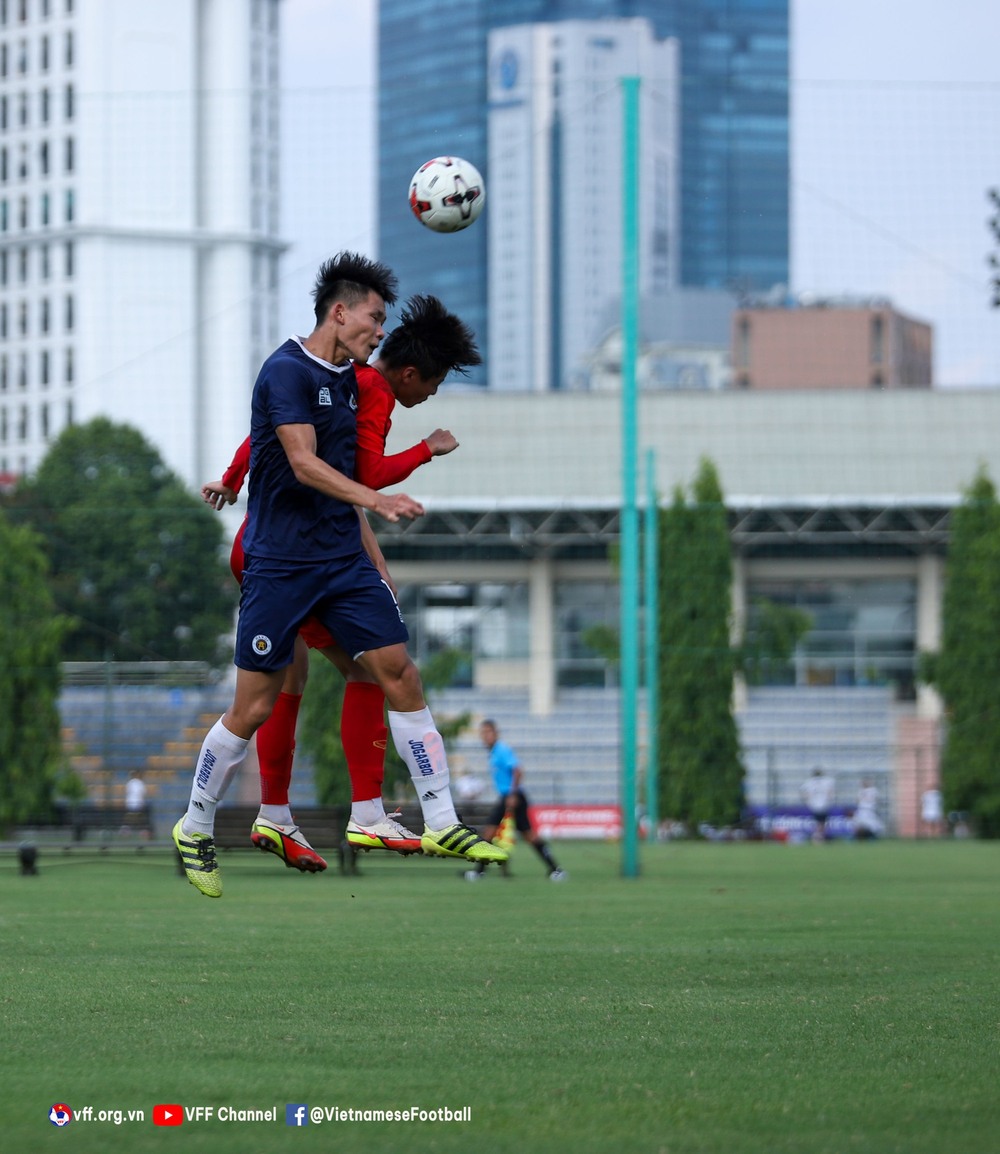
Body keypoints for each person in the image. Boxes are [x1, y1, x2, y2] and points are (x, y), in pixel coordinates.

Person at [172, 253, 506, 897]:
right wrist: (392, 483)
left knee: (394, 670)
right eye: (374, 319)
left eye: (384, 322)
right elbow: (300, 458)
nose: (379, 332)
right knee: (257, 704)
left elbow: (309, 449)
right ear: (340, 311)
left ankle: (437, 819)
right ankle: (197, 823)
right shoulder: (287, 370)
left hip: (340, 559)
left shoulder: (353, 380)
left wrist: (238, 474)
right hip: (279, 561)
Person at [467, 719, 565, 882]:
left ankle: (479, 872)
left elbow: (518, 771)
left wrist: (512, 795)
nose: (485, 736)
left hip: (512, 796)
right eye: (482, 733)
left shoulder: (501, 750)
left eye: (488, 732)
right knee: (525, 835)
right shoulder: (493, 752)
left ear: (495, 733)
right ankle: (555, 870)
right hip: (509, 796)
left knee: (496, 833)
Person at [800, 766, 835, 842]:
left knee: (817, 822)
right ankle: (819, 836)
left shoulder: (809, 782)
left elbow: (805, 794)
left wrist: (808, 802)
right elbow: (830, 793)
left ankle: (817, 836)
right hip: (824, 804)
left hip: (813, 805)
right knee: (822, 822)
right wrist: (829, 801)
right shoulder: (827, 781)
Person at [123, 769, 151, 839]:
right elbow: (143, 793)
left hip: (129, 803)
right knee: (140, 818)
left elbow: (127, 792)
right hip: (138, 803)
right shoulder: (140, 783)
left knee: (130, 818)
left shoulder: (130, 783)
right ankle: (143, 832)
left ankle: (126, 831)